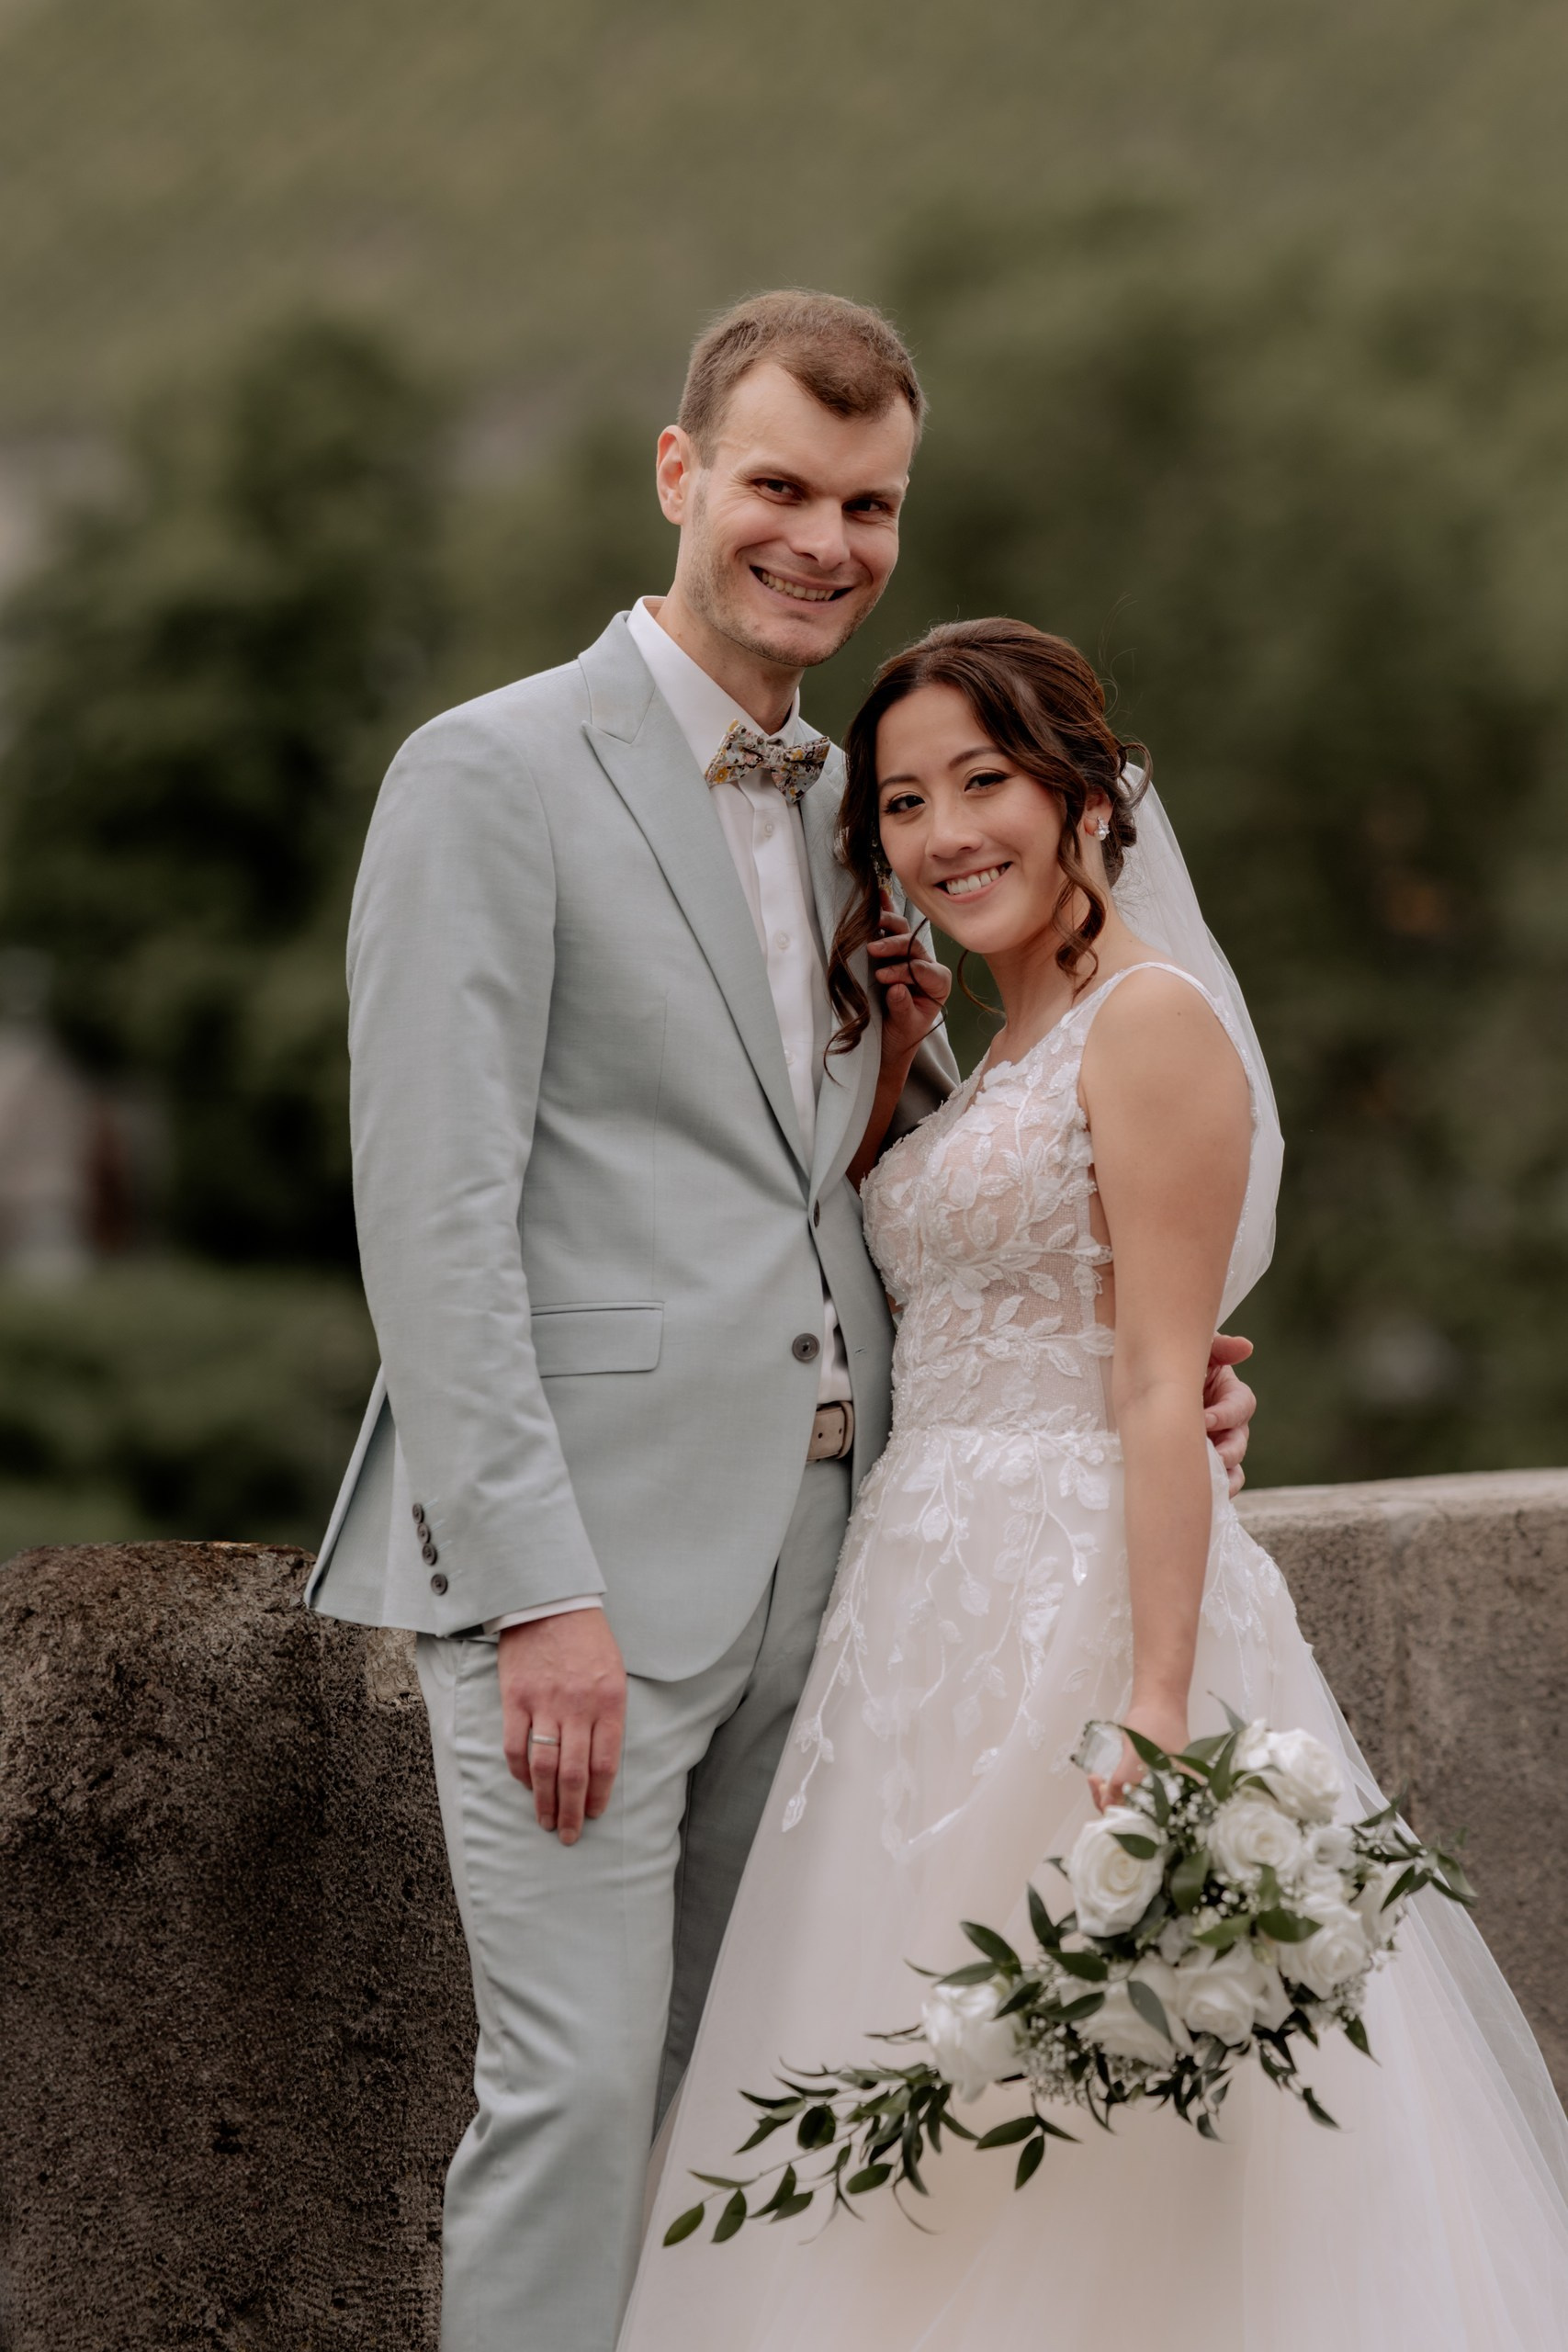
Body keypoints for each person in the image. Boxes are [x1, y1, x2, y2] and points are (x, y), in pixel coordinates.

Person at [303, 297, 1257, 2351]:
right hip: (586, 1571)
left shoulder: (880, 806)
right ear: (677, 474)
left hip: (853, 1573)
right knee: (568, 2092)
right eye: (776, 487)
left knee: (790, 2100)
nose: (820, 539)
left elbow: (920, 1166)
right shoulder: (483, 773)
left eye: (865, 503)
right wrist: (533, 1581)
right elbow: (437, 1209)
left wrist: (1143, 1359)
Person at [619, 618, 1568, 2350]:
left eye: (985, 780)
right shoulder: (991, 1050)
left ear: (1080, 796)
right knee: (914, 2091)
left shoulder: (1151, 1024)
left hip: (1082, 1610)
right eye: (903, 801)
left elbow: (1148, 1375)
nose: (945, 830)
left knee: (1121, 2130)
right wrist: (893, 1080)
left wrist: (1150, 1703)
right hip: (909, 1614)